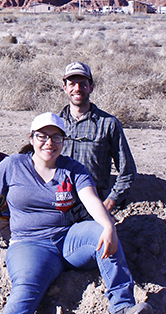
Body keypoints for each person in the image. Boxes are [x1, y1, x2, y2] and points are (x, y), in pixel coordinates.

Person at [0, 113, 153, 314]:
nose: (49, 143)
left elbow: (90, 199)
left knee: (103, 235)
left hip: (68, 239)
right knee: (27, 284)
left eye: (56, 137)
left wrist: (108, 226)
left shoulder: (73, 169)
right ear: (31, 139)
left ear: (63, 141)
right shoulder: (13, 165)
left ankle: (123, 310)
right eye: (42, 136)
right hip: (28, 244)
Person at [58, 62, 137, 212]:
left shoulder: (108, 124)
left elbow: (127, 171)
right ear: (65, 88)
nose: (77, 89)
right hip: (59, 202)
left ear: (91, 87)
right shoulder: (54, 124)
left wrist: (110, 202)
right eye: (72, 84)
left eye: (82, 84)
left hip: (94, 203)